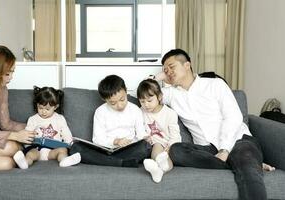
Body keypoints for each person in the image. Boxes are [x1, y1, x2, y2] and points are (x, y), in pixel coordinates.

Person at [153, 48, 275, 200]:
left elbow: (233, 116)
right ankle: (242, 164)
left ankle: (247, 164)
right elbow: (145, 94)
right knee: (176, 150)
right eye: (165, 70)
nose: (168, 72)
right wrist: (156, 78)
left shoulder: (215, 84)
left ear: (187, 65)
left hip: (238, 140)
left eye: (171, 67)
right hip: (207, 150)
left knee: (249, 173)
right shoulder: (171, 94)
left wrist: (224, 149)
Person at [69, 75, 152, 167]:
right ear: (104, 99)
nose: (119, 105)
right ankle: (121, 163)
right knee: (75, 148)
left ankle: (110, 162)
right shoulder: (100, 112)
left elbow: (141, 133)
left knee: (145, 147)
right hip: (105, 150)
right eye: (113, 103)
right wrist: (115, 141)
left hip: (128, 150)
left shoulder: (135, 110)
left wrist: (145, 138)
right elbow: (97, 139)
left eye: (122, 99)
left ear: (126, 90)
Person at [13, 86, 81, 169]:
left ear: (55, 107)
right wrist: (31, 138)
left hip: (53, 150)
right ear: (37, 105)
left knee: (62, 150)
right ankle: (25, 163)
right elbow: (26, 134)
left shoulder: (60, 118)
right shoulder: (33, 119)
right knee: (31, 154)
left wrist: (70, 143)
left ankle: (64, 161)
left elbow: (66, 133)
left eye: (47, 109)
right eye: (40, 108)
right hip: (37, 149)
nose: (43, 112)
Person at [137, 79, 181, 183]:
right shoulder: (140, 111)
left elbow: (175, 135)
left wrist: (170, 147)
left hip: (167, 147)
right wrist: (143, 137)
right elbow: (138, 130)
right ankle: (159, 166)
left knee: (163, 154)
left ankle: (158, 170)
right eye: (142, 101)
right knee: (157, 145)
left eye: (149, 101)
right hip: (150, 146)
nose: (146, 105)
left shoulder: (170, 113)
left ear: (160, 97)